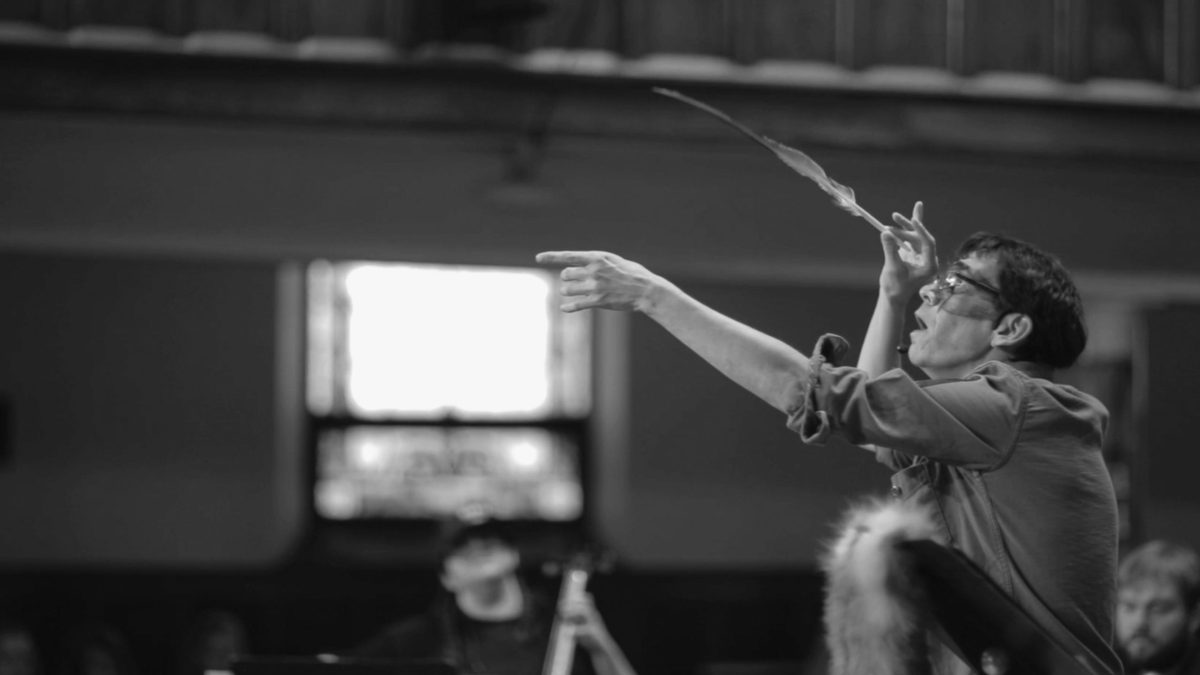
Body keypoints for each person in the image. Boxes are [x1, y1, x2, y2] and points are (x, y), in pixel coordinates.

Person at [536, 201, 1121, 675]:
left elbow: (814, 393)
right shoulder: (998, 420)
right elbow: (876, 435)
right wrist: (891, 293)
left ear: (1012, 328)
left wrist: (653, 294)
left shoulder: (1017, 406)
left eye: (954, 286)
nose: (928, 294)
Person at [346, 519, 636, 675]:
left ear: (514, 556)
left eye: (490, 542)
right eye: (464, 548)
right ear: (446, 576)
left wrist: (601, 645)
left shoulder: (565, 627)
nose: (480, 548)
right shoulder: (411, 640)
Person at [1116, 540, 1200, 675]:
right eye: (1129, 606)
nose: (1139, 623)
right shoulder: (1099, 664)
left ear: (1194, 617)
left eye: (1158, 609)